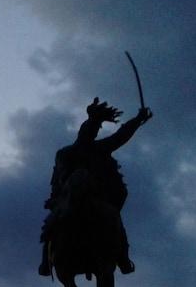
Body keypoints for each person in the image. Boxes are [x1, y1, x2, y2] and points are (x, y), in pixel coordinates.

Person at [39, 98, 152, 277]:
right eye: (90, 128)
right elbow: (57, 178)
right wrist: (58, 195)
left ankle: (123, 257)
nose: (92, 132)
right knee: (52, 223)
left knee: (113, 217)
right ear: (83, 130)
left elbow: (121, 135)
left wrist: (138, 120)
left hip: (96, 196)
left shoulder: (101, 148)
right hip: (69, 195)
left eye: (95, 130)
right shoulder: (65, 153)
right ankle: (46, 260)